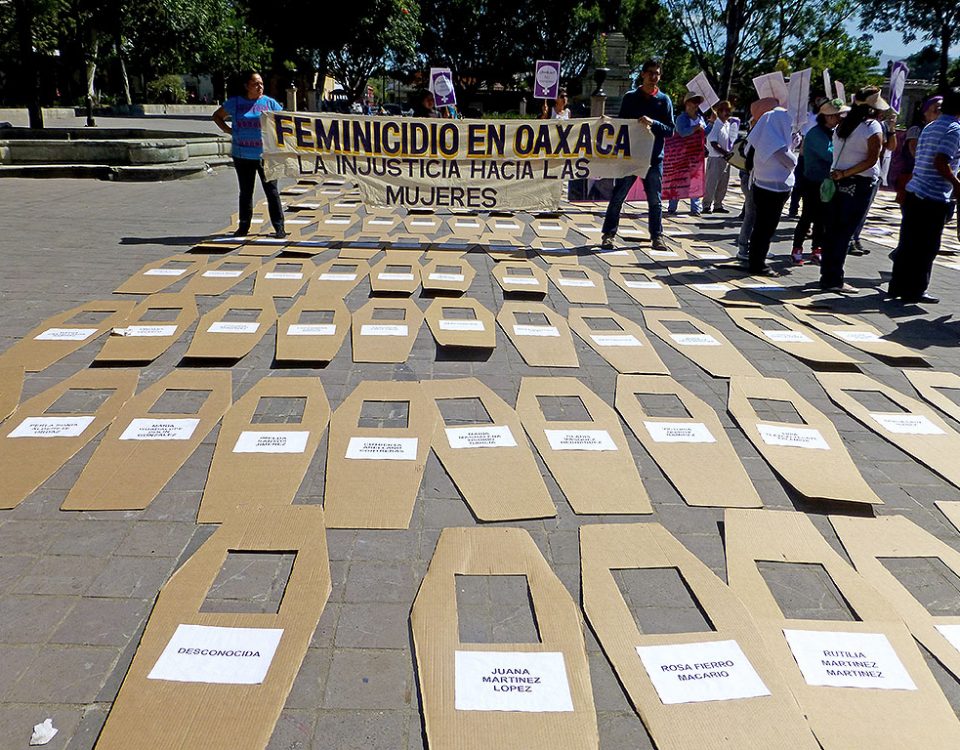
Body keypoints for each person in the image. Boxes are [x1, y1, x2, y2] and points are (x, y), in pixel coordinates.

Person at [888, 88, 960, 304]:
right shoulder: (955, 130)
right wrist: (956, 184)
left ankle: (897, 286)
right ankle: (915, 289)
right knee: (927, 247)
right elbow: (941, 161)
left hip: (915, 189)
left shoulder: (930, 126)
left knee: (908, 242)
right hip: (933, 195)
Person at [600, 59, 675, 252]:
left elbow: (670, 131)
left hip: (653, 159)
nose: (653, 77)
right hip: (631, 157)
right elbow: (621, 125)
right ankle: (608, 234)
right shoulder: (630, 97)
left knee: (655, 200)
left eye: (657, 73)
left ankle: (657, 237)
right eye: (650, 72)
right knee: (618, 196)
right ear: (642, 74)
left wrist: (653, 123)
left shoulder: (664, 100)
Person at [818, 86, 886, 293]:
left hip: (837, 181)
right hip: (858, 183)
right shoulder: (871, 127)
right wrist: (847, 174)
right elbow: (872, 159)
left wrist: (842, 174)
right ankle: (834, 278)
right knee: (844, 232)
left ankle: (828, 274)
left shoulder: (842, 125)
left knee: (833, 230)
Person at [212, 71, 286, 238]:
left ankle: (279, 228)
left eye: (261, 83)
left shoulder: (270, 103)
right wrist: (230, 131)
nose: (260, 87)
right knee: (246, 192)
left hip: (266, 156)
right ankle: (243, 227)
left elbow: (285, 123)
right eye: (255, 84)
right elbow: (217, 116)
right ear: (246, 86)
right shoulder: (235, 103)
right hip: (242, 155)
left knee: (272, 191)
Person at [742, 104, 797, 274]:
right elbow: (791, 161)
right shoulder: (774, 141)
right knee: (765, 228)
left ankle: (756, 259)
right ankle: (758, 263)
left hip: (762, 184)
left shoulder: (764, 137)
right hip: (772, 189)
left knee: (761, 226)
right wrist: (792, 147)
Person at [791, 98, 847, 265]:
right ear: (829, 117)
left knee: (822, 218)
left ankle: (817, 249)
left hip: (827, 182)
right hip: (813, 182)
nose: (840, 118)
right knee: (807, 216)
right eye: (837, 115)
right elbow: (829, 155)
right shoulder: (815, 134)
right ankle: (797, 249)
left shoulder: (833, 132)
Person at [848, 103, 898, 256]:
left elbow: (891, 147)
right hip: (858, 173)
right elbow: (872, 155)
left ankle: (855, 237)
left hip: (874, 173)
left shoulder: (880, 126)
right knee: (853, 210)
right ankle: (849, 240)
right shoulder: (866, 126)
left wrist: (891, 130)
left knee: (863, 210)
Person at [735, 97, 779, 262]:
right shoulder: (758, 131)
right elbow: (750, 155)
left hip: (758, 178)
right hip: (752, 178)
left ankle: (755, 248)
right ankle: (744, 248)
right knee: (752, 214)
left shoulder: (764, 130)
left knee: (757, 215)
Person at [897, 95, 943, 202]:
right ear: (925, 112)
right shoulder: (916, 129)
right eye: (936, 110)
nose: (940, 114)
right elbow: (915, 152)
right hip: (912, 175)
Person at [666, 92, 706, 216]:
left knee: (695, 181)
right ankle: (672, 207)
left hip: (696, 156)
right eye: (694, 102)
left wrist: (711, 124)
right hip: (681, 155)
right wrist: (695, 129)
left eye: (697, 103)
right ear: (687, 104)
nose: (696, 105)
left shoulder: (700, 118)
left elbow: (705, 134)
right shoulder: (681, 118)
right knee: (678, 180)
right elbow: (682, 132)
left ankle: (696, 209)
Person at [703, 99, 733, 213]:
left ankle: (718, 205)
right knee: (712, 183)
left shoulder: (728, 124)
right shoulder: (716, 124)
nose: (727, 113)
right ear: (719, 111)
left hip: (726, 158)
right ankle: (706, 205)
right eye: (724, 110)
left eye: (729, 110)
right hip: (715, 157)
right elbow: (713, 143)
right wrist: (725, 153)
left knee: (723, 184)